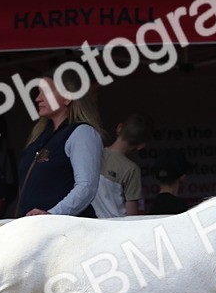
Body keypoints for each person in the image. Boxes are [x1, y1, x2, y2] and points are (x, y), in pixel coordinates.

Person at [13, 68, 104, 217]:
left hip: (65, 232)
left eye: (46, 92)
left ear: (68, 97)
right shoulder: (41, 137)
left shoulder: (82, 133)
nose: (38, 98)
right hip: (34, 229)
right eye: (39, 92)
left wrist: (52, 214)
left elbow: (86, 187)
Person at [92, 113, 152, 218]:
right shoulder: (131, 170)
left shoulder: (93, 154)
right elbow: (131, 215)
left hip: (91, 224)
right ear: (141, 146)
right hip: (118, 228)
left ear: (119, 128)